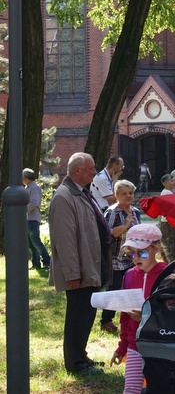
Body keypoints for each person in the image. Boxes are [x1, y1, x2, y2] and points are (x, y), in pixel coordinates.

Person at [49, 152, 110, 375]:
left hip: (89, 266)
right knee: (77, 316)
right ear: (77, 171)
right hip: (80, 271)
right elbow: (65, 241)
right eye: (91, 168)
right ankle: (75, 364)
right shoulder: (64, 197)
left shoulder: (81, 193)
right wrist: (72, 273)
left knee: (86, 315)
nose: (95, 172)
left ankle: (81, 356)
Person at [109, 224, 167, 394]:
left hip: (160, 346)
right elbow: (124, 317)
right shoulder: (128, 276)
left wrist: (147, 315)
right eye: (131, 254)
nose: (135, 258)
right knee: (131, 390)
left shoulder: (167, 275)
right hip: (135, 346)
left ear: (156, 248)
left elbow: (174, 313)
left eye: (141, 253)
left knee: (160, 388)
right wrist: (122, 347)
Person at [101, 179, 140, 334]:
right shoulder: (112, 212)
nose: (128, 196)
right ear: (116, 195)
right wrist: (125, 225)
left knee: (132, 289)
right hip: (115, 259)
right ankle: (106, 320)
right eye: (124, 194)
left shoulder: (135, 211)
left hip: (132, 259)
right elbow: (107, 234)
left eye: (130, 193)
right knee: (115, 289)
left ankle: (131, 318)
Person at [23, 168, 50, 270]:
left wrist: (23, 210)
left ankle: (47, 261)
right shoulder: (28, 187)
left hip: (33, 218)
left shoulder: (34, 187)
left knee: (35, 241)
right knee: (30, 243)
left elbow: (34, 202)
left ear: (25, 177)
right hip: (28, 218)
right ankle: (36, 264)